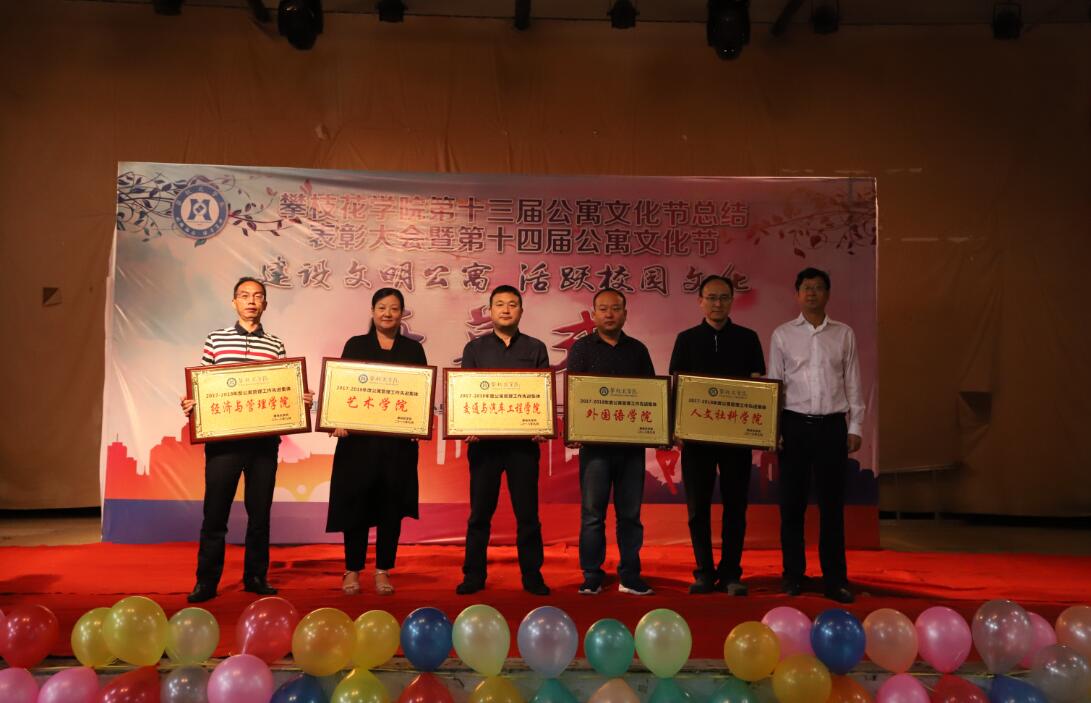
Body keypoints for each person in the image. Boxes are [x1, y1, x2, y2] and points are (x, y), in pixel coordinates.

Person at [181, 277, 313, 603]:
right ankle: (206, 581)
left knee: (259, 514)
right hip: (224, 444)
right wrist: (192, 404)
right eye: (244, 295)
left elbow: (283, 389)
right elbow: (203, 386)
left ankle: (255, 577)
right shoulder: (216, 340)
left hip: (263, 444)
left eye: (257, 296)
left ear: (265, 303)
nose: (251, 301)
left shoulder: (276, 345)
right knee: (215, 514)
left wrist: (300, 401)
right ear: (234, 302)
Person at [767, 267, 865, 604]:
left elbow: (853, 381)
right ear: (797, 294)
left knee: (832, 507)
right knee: (791, 506)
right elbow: (775, 385)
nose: (812, 293)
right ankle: (793, 575)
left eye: (818, 287)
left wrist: (855, 426)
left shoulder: (844, 334)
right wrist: (774, 429)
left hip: (832, 426)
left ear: (827, 294)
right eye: (806, 288)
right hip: (793, 426)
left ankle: (835, 579)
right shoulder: (782, 335)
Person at [668, 275, 766, 596]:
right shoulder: (686, 339)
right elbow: (677, 386)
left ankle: (731, 573)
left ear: (732, 301)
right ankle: (704, 573)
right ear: (700, 301)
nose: (717, 303)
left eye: (723, 297)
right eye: (711, 297)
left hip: (737, 440)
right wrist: (675, 428)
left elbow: (758, 387)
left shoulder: (748, 338)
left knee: (736, 507)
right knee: (698, 508)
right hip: (696, 440)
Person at [326, 288, 426, 596]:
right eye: (382, 307)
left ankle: (383, 569)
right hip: (358, 446)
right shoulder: (356, 345)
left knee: (390, 508)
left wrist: (418, 423)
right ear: (372, 311)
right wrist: (336, 420)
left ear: (402, 313)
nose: (387, 313)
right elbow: (342, 389)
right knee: (355, 506)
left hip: (397, 447)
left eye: (394, 308)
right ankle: (352, 569)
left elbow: (420, 394)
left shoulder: (413, 350)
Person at [456, 285, 551, 596]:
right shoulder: (475, 349)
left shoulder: (536, 348)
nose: (506, 309)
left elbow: (543, 395)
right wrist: (466, 425)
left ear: (521, 310)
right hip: (484, 447)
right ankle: (474, 575)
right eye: (499, 304)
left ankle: (532, 575)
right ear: (490, 310)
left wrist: (542, 425)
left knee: (528, 515)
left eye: (512, 304)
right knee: (479, 515)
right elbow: (465, 394)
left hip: (523, 447)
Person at [567, 288, 657, 596]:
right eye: (603, 309)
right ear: (594, 314)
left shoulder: (638, 350)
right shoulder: (581, 349)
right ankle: (592, 574)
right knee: (593, 515)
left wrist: (657, 431)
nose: (609, 314)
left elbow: (651, 396)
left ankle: (630, 575)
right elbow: (574, 394)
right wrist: (574, 430)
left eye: (615, 308)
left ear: (625, 314)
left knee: (630, 516)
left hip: (631, 450)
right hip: (596, 451)